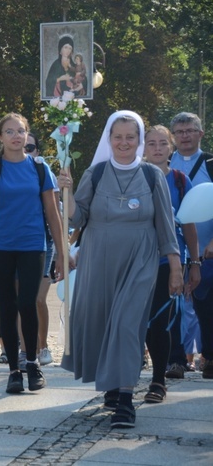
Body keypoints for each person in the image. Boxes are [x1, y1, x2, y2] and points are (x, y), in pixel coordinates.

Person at [59, 111, 183, 429]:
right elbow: (77, 218)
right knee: (104, 325)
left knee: (128, 326)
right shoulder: (96, 173)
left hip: (140, 261)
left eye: (130, 137)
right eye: (118, 137)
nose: (124, 143)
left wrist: (175, 268)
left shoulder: (153, 176)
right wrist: (68, 193)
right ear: (109, 140)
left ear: (138, 141)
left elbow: (166, 228)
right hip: (99, 260)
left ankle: (126, 401)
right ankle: (113, 385)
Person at [0, 113, 66, 395]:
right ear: (0, 137)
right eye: (10, 131)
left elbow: (53, 214)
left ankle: (32, 363)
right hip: (0, 244)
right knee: (6, 306)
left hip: (33, 244)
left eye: (21, 131)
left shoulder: (41, 169)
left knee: (27, 302)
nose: (16, 136)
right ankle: (13, 371)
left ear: (27, 134)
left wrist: (62, 254)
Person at [142, 125, 199, 403]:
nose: (156, 148)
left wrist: (194, 263)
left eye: (162, 143)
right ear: (143, 148)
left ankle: (158, 380)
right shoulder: (133, 176)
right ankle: (125, 378)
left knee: (160, 323)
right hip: (135, 261)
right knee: (133, 322)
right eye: (150, 143)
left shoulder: (179, 180)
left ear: (170, 148)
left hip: (167, 260)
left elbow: (188, 224)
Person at [168, 112, 213, 380]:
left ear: (201, 133)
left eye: (189, 130)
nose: (184, 136)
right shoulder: (163, 163)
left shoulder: (210, 163)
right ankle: (175, 360)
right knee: (172, 306)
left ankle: (209, 357)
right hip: (171, 249)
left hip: (207, 251)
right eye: (179, 132)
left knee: (206, 307)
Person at [24, 133, 58, 366]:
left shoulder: (43, 171)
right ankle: (27, 350)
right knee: (22, 299)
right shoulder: (3, 169)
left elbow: (55, 211)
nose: (26, 150)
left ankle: (43, 346)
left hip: (43, 240)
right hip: (17, 241)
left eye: (31, 146)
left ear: (37, 150)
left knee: (37, 298)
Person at [45, 34, 76, 99]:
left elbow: (81, 80)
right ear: (60, 49)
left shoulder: (73, 66)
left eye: (70, 48)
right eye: (65, 47)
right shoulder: (56, 65)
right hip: (57, 96)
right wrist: (60, 79)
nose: (68, 50)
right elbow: (48, 82)